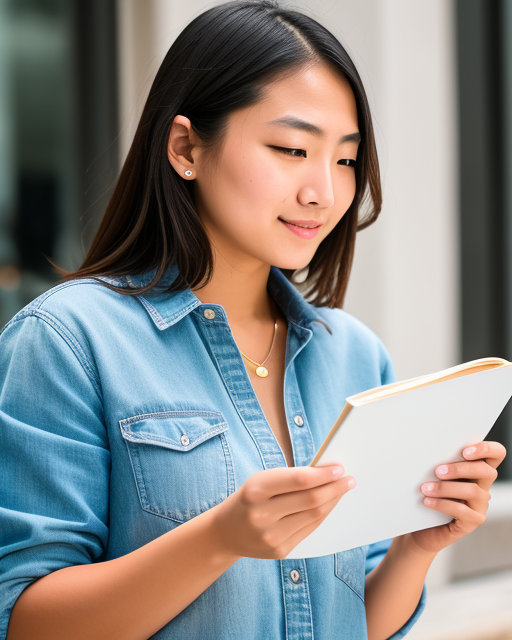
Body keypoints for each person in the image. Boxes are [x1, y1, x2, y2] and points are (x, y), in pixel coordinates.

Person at [0, 1, 506, 639]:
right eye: (292, 148)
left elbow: (356, 625)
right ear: (186, 146)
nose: (323, 191)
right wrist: (221, 537)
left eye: (346, 159)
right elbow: (26, 624)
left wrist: (418, 546)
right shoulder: (69, 343)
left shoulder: (352, 353)